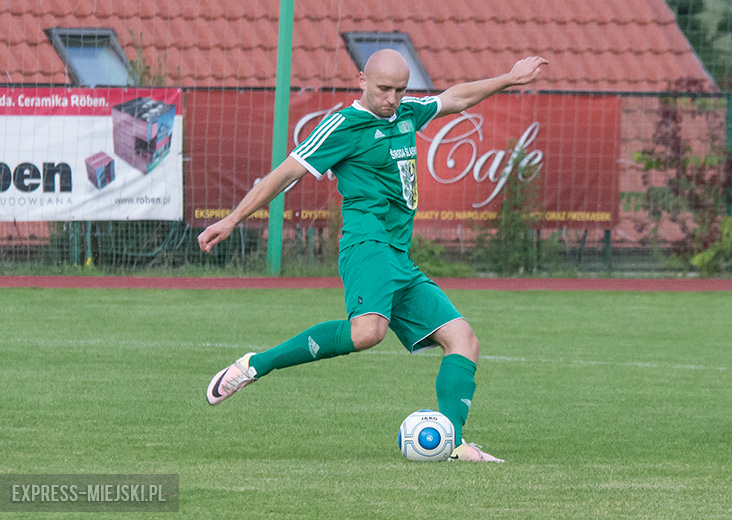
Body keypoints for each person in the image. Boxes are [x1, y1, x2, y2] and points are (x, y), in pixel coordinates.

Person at [198, 49, 548, 462]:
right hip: (367, 246)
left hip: (399, 256)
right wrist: (233, 218)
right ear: (361, 79)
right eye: (384, 89)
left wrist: (508, 77)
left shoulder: (405, 113)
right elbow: (285, 173)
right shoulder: (341, 126)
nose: (392, 98)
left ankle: (453, 442)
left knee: (463, 340)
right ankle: (255, 365)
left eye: (400, 90)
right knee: (368, 333)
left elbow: (455, 98)